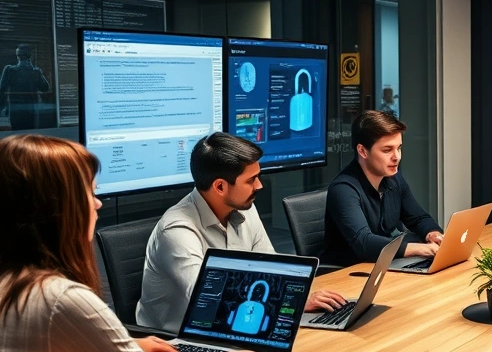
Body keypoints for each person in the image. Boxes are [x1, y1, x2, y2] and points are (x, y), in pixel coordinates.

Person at [0, 135, 265, 352]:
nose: (97, 205)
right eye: (88, 194)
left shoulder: (14, 282)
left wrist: (116, 349)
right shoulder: (59, 300)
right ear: (58, 211)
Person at [137, 133, 345, 333]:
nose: (259, 185)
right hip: (180, 340)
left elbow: (272, 268)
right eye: (251, 180)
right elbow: (207, 297)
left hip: (237, 321)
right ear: (220, 186)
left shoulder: (244, 208)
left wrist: (295, 300)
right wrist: (290, 304)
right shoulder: (177, 230)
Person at [321, 110, 443, 267]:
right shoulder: (343, 189)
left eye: (399, 148)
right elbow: (364, 242)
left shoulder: (394, 178)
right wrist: (424, 249)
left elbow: (418, 218)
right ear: (362, 151)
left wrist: (433, 234)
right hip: (348, 273)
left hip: (383, 266)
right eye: (387, 150)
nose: (397, 157)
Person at [0, 44, 50, 130]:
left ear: (18, 56)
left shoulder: (9, 70)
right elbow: (45, 88)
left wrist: (3, 108)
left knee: (17, 135)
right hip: (31, 110)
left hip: (15, 109)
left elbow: (2, 89)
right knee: (29, 135)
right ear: (30, 56)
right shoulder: (36, 72)